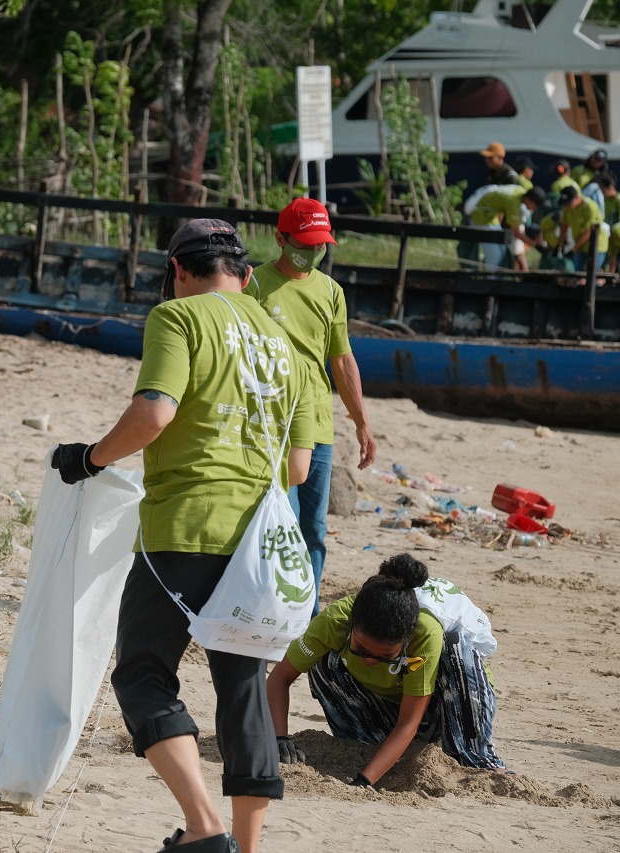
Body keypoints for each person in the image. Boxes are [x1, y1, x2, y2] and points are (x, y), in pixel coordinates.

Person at [52, 219, 316, 853]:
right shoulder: (286, 340)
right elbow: (300, 467)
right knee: (243, 688)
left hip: (184, 530)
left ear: (177, 271)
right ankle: (247, 849)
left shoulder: (179, 318)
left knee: (143, 675)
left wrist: (91, 458)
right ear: (248, 277)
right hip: (258, 546)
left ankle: (204, 829)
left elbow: (155, 412)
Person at [267, 554, 506, 786]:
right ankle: (367, 744)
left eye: (384, 656)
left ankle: (476, 758)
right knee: (323, 661)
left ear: (406, 641)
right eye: (361, 649)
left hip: (440, 713)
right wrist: (279, 738)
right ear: (352, 624)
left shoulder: (425, 634)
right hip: (383, 711)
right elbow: (280, 677)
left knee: (455, 648)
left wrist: (364, 781)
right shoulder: (335, 620)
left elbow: (408, 723)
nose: (369, 661)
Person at [244, 197, 376, 618]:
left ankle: (308, 610)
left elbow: (341, 360)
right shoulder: (255, 286)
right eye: (305, 242)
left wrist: (361, 423)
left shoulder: (330, 291)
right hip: (272, 427)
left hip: (318, 426)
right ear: (279, 238)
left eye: (321, 243)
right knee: (279, 521)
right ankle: (273, 604)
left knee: (314, 529)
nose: (314, 251)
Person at [468, 185, 546, 271]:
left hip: (492, 218)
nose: (534, 209)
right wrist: (534, 244)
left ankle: (496, 279)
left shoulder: (520, 190)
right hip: (481, 219)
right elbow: (516, 232)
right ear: (528, 199)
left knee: (502, 252)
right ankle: (491, 282)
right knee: (495, 257)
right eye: (535, 206)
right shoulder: (513, 203)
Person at [556, 184, 608, 273]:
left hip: (596, 245)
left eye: (569, 202)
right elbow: (564, 226)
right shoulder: (568, 208)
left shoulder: (590, 207)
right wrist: (559, 245)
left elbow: (588, 232)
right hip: (580, 246)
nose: (567, 205)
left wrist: (573, 249)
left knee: (591, 273)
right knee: (578, 273)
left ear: (577, 198)